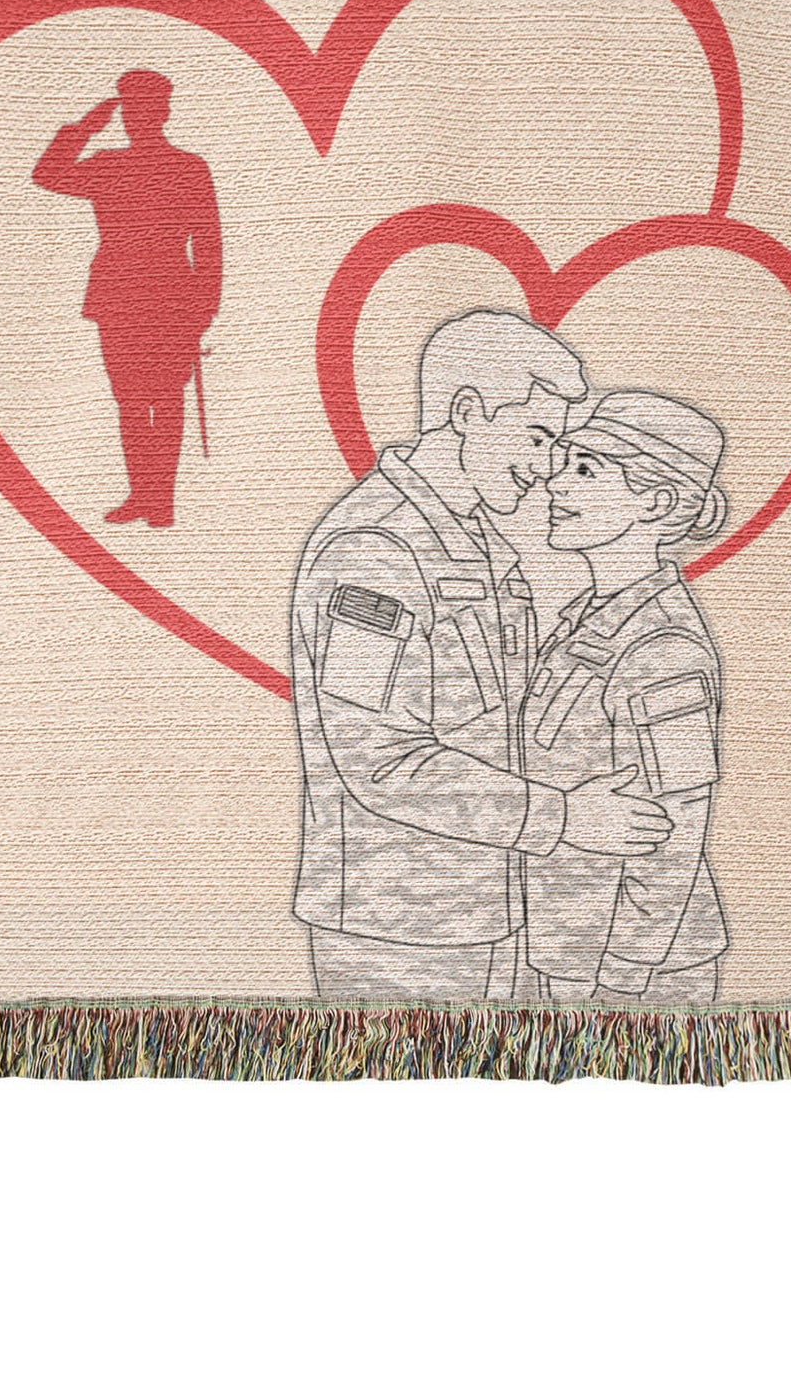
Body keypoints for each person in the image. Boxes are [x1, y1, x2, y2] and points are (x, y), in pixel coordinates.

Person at [289, 311, 680, 1002]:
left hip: (491, 913)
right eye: (538, 437)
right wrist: (565, 818)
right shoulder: (375, 551)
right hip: (398, 929)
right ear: (467, 412)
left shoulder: (480, 547)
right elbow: (378, 758)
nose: (547, 469)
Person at [521, 391, 731, 1005]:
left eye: (586, 470)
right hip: (568, 949)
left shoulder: (665, 646)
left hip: (636, 971)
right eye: (563, 464)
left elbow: (679, 824)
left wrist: (623, 973)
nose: (556, 485)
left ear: (656, 502)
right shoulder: (586, 620)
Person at [33, 70, 221, 529]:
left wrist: (202, 308)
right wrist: (82, 129)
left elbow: (209, 242)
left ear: (163, 112)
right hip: (119, 297)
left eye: (145, 109)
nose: (136, 118)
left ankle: (161, 502)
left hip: (169, 298)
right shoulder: (108, 165)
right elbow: (46, 175)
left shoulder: (189, 168)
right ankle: (142, 496)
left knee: (165, 399)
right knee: (132, 401)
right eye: (131, 110)